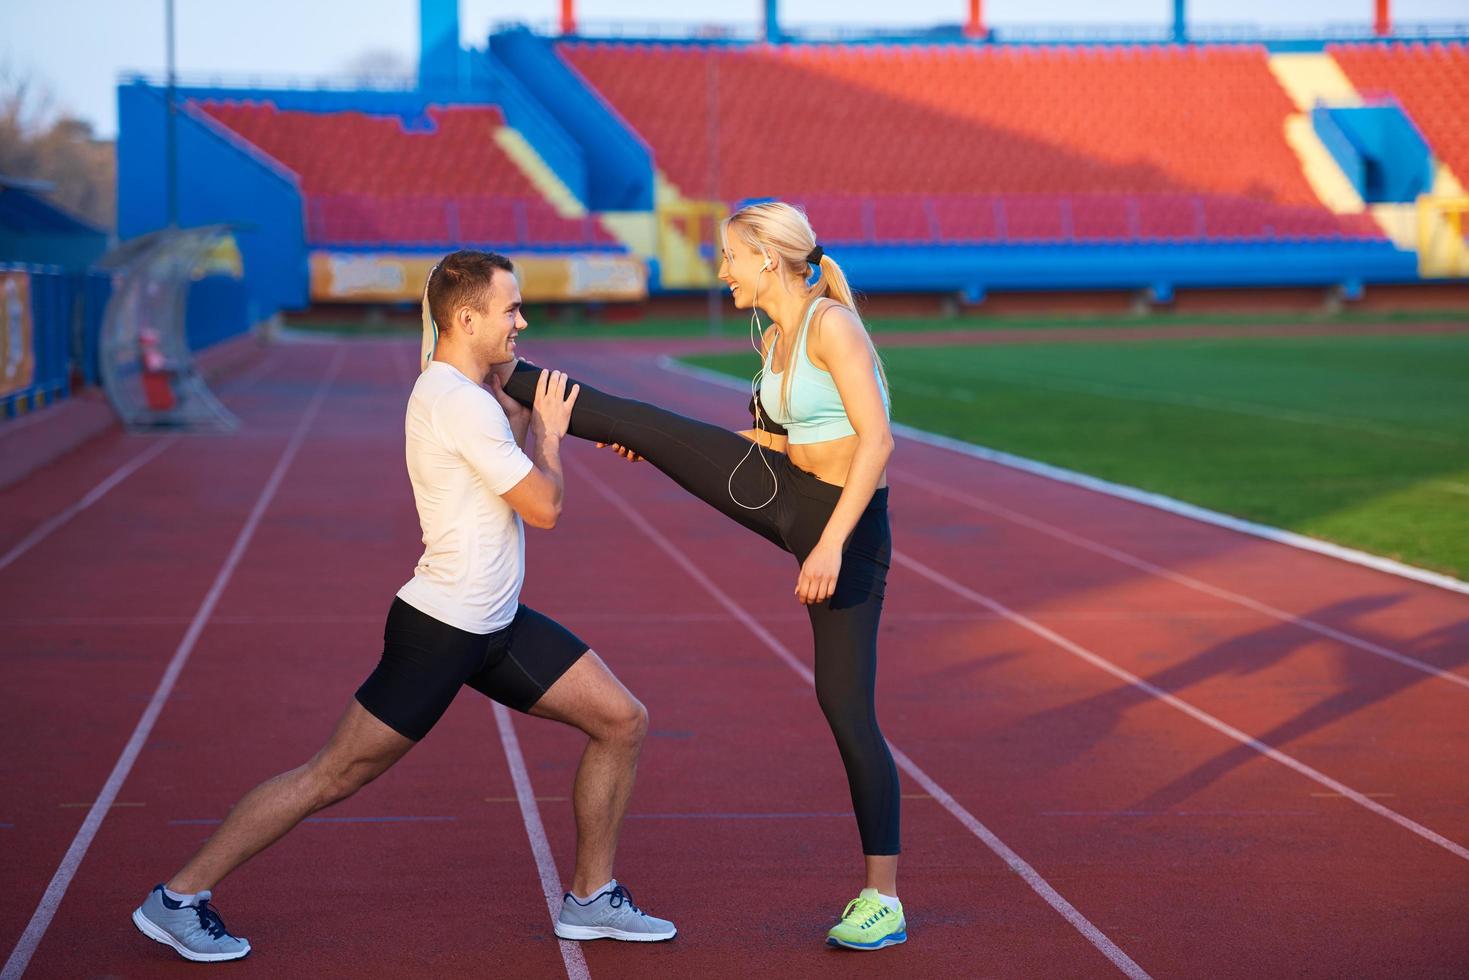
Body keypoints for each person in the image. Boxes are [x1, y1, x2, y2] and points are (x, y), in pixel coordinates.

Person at [131, 250, 676, 963]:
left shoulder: (468, 396)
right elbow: (542, 506)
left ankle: (590, 898)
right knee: (330, 775)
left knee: (620, 720)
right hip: (441, 632)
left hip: (495, 624)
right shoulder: (453, 400)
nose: (523, 320)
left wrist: (553, 423)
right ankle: (177, 898)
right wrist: (546, 434)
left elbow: (503, 457)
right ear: (466, 317)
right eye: (511, 309)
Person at [500, 202, 906, 951]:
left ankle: (882, 898)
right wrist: (671, 450)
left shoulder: (829, 325)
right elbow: (791, 439)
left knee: (845, 709)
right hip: (787, 492)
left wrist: (829, 550)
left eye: (725, 257)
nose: (718, 272)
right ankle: (506, 374)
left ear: (763, 256)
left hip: (845, 531)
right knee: (649, 428)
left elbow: (876, 444)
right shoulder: (778, 334)